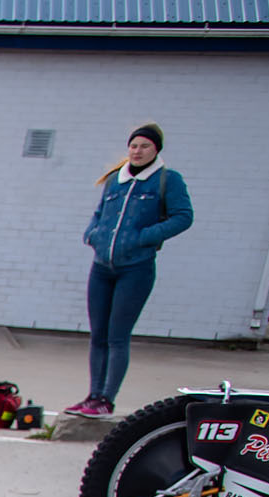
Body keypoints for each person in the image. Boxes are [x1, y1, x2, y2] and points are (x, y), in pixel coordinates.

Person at [71, 123, 193, 419]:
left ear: (156, 150)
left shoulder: (167, 180)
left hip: (135, 269)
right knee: (98, 335)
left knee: (117, 336)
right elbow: (99, 213)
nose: (138, 151)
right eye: (134, 146)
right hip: (102, 268)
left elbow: (183, 217)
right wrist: (92, 234)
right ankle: (92, 395)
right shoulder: (116, 180)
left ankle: (106, 399)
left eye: (145, 146)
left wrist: (143, 237)